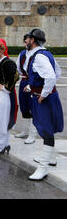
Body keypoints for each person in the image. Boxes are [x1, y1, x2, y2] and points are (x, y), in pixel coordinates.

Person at [22, 29, 64, 181]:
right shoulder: (46, 53)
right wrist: (33, 87)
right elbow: (57, 71)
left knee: (46, 130)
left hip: (44, 98)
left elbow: (52, 76)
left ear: (33, 40)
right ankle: (50, 158)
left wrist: (43, 93)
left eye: (27, 39)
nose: (25, 41)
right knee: (46, 129)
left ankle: (43, 167)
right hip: (42, 95)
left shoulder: (38, 56)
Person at [15, 43, 37, 144]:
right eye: (24, 41)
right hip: (24, 80)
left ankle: (32, 134)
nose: (26, 43)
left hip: (33, 81)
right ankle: (25, 131)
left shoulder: (37, 54)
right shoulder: (22, 54)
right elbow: (18, 68)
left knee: (32, 107)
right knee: (24, 106)